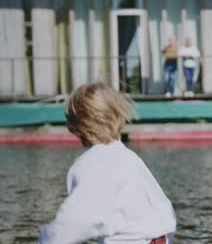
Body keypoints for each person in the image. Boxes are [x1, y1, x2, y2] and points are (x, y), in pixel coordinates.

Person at [38, 83, 176, 244]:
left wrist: (45, 237)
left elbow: (72, 224)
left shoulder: (93, 164)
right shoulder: (128, 156)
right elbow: (165, 211)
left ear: (76, 125)